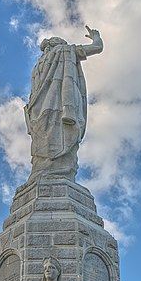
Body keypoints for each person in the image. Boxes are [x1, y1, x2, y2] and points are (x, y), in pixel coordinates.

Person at [24, 26, 103, 181]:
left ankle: (41, 172)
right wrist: (96, 36)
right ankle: (60, 172)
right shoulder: (66, 50)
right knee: (65, 136)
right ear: (59, 43)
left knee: (44, 139)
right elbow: (97, 48)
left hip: (38, 110)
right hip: (62, 106)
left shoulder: (37, 67)